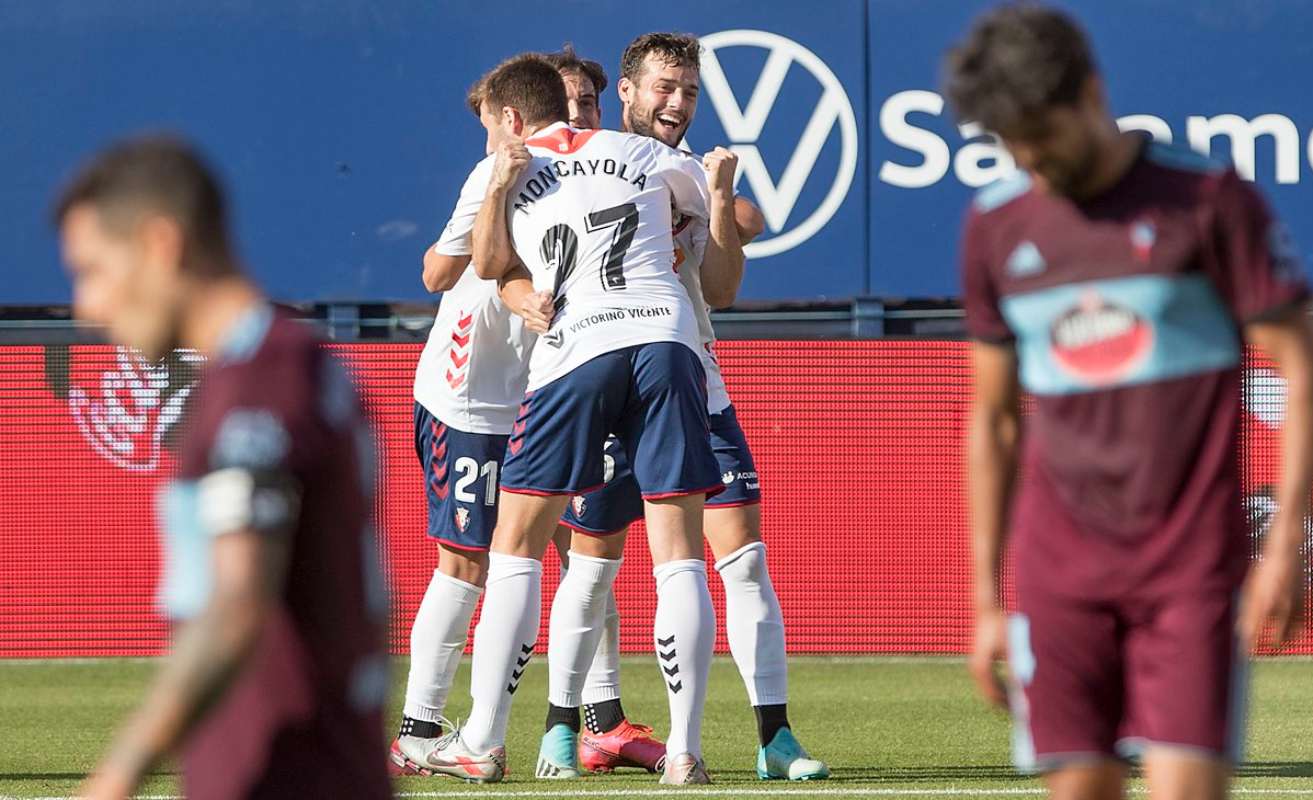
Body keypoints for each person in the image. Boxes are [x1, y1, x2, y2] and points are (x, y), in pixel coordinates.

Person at [945, 5, 1313, 800]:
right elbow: (994, 419)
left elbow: (1302, 367)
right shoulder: (994, 227)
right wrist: (983, 598)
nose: (1032, 160)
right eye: (1013, 144)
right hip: (1058, 575)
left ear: (1091, 93)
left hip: (1189, 574)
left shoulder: (1208, 199)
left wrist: (1283, 544)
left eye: (1041, 134)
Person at [519, 32, 828, 782]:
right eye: (662, 88)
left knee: (743, 560)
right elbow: (492, 264)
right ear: (624, 95)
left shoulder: (684, 170)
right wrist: (514, 294)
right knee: (590, 569)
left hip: (687, 384)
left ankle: (774, 738)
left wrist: (720, 203)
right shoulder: (559, 171)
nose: (676, 103)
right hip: (601, 375)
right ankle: (565, 728)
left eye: (687, 91)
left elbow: (722, 287)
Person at [57, 136, 391, 800]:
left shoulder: (261, 384)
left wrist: (116, 775)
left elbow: (238, 602)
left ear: (160, 244)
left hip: (284, 778)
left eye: (93, 270)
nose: (86, 306)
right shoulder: (297, 366)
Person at [424, 52, 722, 785]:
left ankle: (483, 739)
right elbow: (703, 212)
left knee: (517, 543)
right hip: (665, 336)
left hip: (577, 347)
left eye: (495, 120)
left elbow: (487, 266)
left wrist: (500, 187)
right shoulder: (642, 150)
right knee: (678, 550)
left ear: (514, 119)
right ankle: (684, 752)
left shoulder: (510, 166)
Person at [390, 50, 657, 779]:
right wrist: (510, 270)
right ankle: (419, 730)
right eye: (567, 104)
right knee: (472, 559)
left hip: (558, 381)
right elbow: (442, 272)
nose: (577, 119)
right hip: (473, 393)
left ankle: (597, 721)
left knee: (588, 546)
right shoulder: (505, 169)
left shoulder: (618, 166)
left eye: (589, 106)